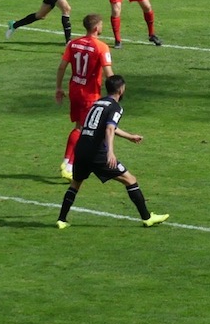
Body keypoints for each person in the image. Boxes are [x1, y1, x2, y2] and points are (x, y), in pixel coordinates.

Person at [56, 74, 169, 229]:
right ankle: (147, 218)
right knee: (130, 180)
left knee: (75, 184)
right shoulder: (116, 107)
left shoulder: (98, 103)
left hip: (81, 149)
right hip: (96, 152)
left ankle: (61, 220)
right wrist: (110, 152)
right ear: (121, 89)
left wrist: (129, 137)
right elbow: (109, 129)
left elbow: (104, 126)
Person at [55, 13, 114, 180]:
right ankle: (69, 164)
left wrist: (58, 87)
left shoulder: (73, 44)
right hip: (90, 94)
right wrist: (116, 92)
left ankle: (72, 161)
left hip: (74, 90)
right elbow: (109, 74)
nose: (102, 27)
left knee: (80, 126)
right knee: (84, 129)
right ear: (96, 28)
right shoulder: (101, 47)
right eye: (101, 25)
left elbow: (61, 67)